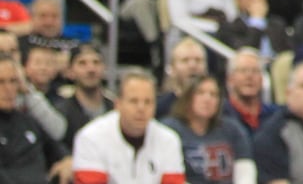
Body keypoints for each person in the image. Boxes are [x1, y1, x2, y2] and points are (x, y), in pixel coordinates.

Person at [72, 71, 186, 184]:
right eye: (133, 101)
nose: (141, 108)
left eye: (148, 102)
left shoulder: (169, 140)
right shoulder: (91, 137)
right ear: (118, 104)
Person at [161, 74, 254, 184]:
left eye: (213, 94)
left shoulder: (232, 129)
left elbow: (245, 171)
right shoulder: (170, 130)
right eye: (200, 93)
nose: (207, 99)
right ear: (188, 97)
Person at [0, 56, 70, 184]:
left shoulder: (27, 121)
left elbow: (58, 150)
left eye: (13, 81)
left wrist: (67, 162)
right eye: (1, 82)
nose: (8, 89)